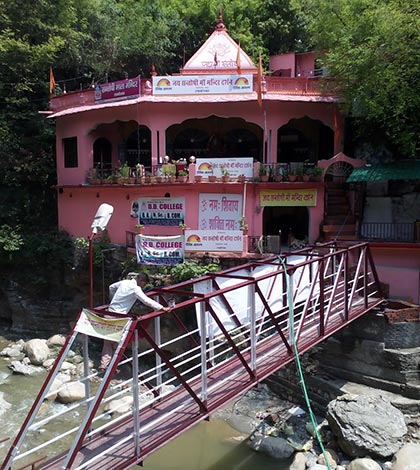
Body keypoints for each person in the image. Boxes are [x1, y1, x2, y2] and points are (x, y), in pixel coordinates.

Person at [99, 272, 171, 371]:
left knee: (108, 341)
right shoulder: (135, 289)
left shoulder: (124, 282)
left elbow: (111, 287)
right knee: (119, 342)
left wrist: (112, 299)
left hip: (110, 313)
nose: (143, 286)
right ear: (141, 281)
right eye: (144, 284)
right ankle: (112, 365)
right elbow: (146, 300)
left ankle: (105, 364)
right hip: (119, 318)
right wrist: (162, 308)